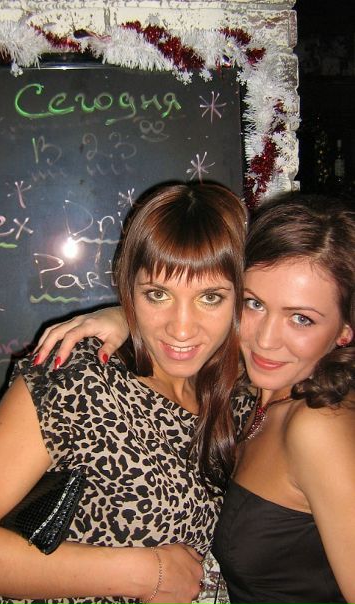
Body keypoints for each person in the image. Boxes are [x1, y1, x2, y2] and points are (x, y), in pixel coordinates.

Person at [0, 181, 251, 604]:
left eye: (210, 298)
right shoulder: (81, 374)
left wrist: (127, 317)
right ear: (129, 288)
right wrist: (143, 573)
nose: (181, 328)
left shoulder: (239, 396)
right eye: (157, 294)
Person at [32, 193, 355, 604]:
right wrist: (126, 317)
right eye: (254, 304)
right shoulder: (241, 393)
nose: (266, 339)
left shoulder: (320, 427)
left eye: (301, 318)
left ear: (344, 331)